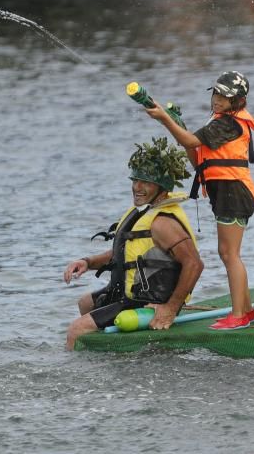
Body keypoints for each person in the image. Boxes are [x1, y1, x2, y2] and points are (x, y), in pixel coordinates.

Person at [144, 71, 254, 330]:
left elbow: (189, 140)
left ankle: (239, 315)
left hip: (235, 193)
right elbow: (197, 158)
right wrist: (178, 128)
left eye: (224, 97)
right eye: (216, 93)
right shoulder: (219, 121)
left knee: (230, 254)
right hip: (226, 192)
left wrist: (165, 120)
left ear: (237, 101)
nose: (217, 100)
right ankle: (247, 310)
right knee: (227, 253)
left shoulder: (227, 124)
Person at [63, 138, 203, 349]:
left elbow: (194, 264)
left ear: (162, 186)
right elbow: (126, 253)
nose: (136, 187)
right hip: (126, 292)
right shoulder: (145, 211)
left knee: (76, 330)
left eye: (145, 182)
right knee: (84, 303)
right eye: (135, 180)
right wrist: (87, 262)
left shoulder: (163, 223)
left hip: (147, 301)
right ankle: (113, 354)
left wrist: (171, 308)